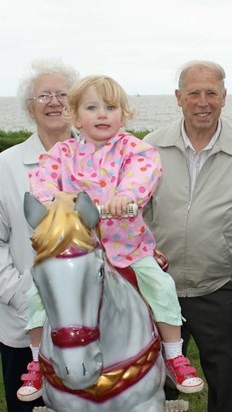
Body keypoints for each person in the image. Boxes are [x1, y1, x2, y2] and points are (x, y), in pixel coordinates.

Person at [23, 75, 204, 401]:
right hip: (74, 251)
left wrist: (125, 196)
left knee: (161, 286)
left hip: (127, 247)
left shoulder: (135, 150)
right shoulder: (63, 153)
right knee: (37, 293)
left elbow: (143, 173)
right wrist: (53, 202)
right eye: (92, 108)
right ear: (76, 118)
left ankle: (174, 354)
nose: (102, 114)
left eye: (111, 107)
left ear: (124, 114)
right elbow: (43, 178)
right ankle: (37, 360)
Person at [142, 60, 232, 412]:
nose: (203, 101)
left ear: (224, 97)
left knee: (224, 385)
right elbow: (139, 215)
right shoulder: (151, 146)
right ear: (178, 97)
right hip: (157, 289)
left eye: (211, 92)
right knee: (153, 383)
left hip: (218, 290)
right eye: (193, 93)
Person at [0, 59, 79, 412]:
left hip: (91, 321)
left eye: (63, 94)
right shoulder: (6, 165)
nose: (54, 102)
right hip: (23, 323)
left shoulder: (98, 160)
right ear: (29, 107)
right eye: (43, 95)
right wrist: (19, 294)